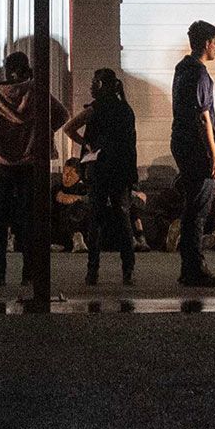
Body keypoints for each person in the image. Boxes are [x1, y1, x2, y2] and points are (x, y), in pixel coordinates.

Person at [0, 50, 67, 288]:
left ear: (7, 69)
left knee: (0, 217)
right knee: (28, 218)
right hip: (30, 162)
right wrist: (40, 131)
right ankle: (28, 272)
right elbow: (62, 114)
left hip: (1, 163)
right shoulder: (36, 91)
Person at [65, 67, 139, 286]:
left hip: (99, 169)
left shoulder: (94, 109)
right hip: (121, 170)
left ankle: (93, 271)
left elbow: (69, 128)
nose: (91, 86)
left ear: (102, 85)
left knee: (95, 219)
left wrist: (86, 145)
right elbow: (130, 145)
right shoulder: (126, 109)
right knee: (123, 219)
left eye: (94, 82)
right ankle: (128, 270)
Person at [170, 19, 215, 288]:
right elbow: (204, 118)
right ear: (205, 43)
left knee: (191, 208)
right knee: (198, 209)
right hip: (197, 147)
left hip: (180, 142)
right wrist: (214, 156)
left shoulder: (182, 69)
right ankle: (195, 268)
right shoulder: (200, 74)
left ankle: (187, 267)